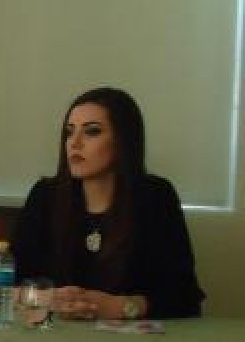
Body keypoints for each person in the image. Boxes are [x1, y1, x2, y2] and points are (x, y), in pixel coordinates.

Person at [12, 87, 204, 319]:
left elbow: (184, 297)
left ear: (123, 140)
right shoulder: (45, 196)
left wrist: (121, 307)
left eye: (92, 132)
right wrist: (43, 299)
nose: (75, 143)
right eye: (69, 133)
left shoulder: (155, 197)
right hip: (54, 338)